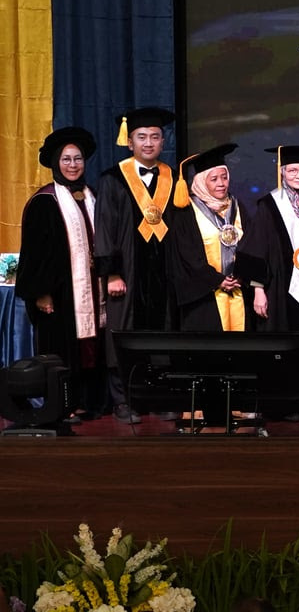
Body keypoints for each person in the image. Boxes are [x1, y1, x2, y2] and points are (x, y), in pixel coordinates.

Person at [15, 127, 105, 423]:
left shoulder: (92, 196)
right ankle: (62, 405)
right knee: (61, 347)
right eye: (66, 159)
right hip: (60, 293)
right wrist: (41, 292)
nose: (73, 165)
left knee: (92, 346)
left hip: (93, 288)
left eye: (78, 159)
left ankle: (90, 401)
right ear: (56, 162)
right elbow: (34, 252)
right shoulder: (44, 201)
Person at [93, 107, 177, 424]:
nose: (149, 143)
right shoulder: (113, 179)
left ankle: (159, 396)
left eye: (155, 137)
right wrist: (112, 273)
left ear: (163, 141)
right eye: (142, 137)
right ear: (129, 143)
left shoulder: (173, 179)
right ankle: (123, 400)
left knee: (163, 333)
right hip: (127, 272)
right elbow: (105, 228)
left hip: (164, 274)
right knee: (124, 332)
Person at [244, 145, 299, 421]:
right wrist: (258, 290)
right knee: (283, 345)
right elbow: (256, 249)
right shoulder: (268, 206)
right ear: (282, 172)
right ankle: (286, 405)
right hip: (279, 287)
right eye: (293, 170)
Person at [167, 143, 253, 331]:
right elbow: (187, 254)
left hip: (238, 290)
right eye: (214, 179)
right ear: (201, 182)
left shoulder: (237, 206)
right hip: (203, 297)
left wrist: (241, 275)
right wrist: (216, 279)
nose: (221, 183)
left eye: (224, 177)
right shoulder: (187, 212)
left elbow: (250, 245)